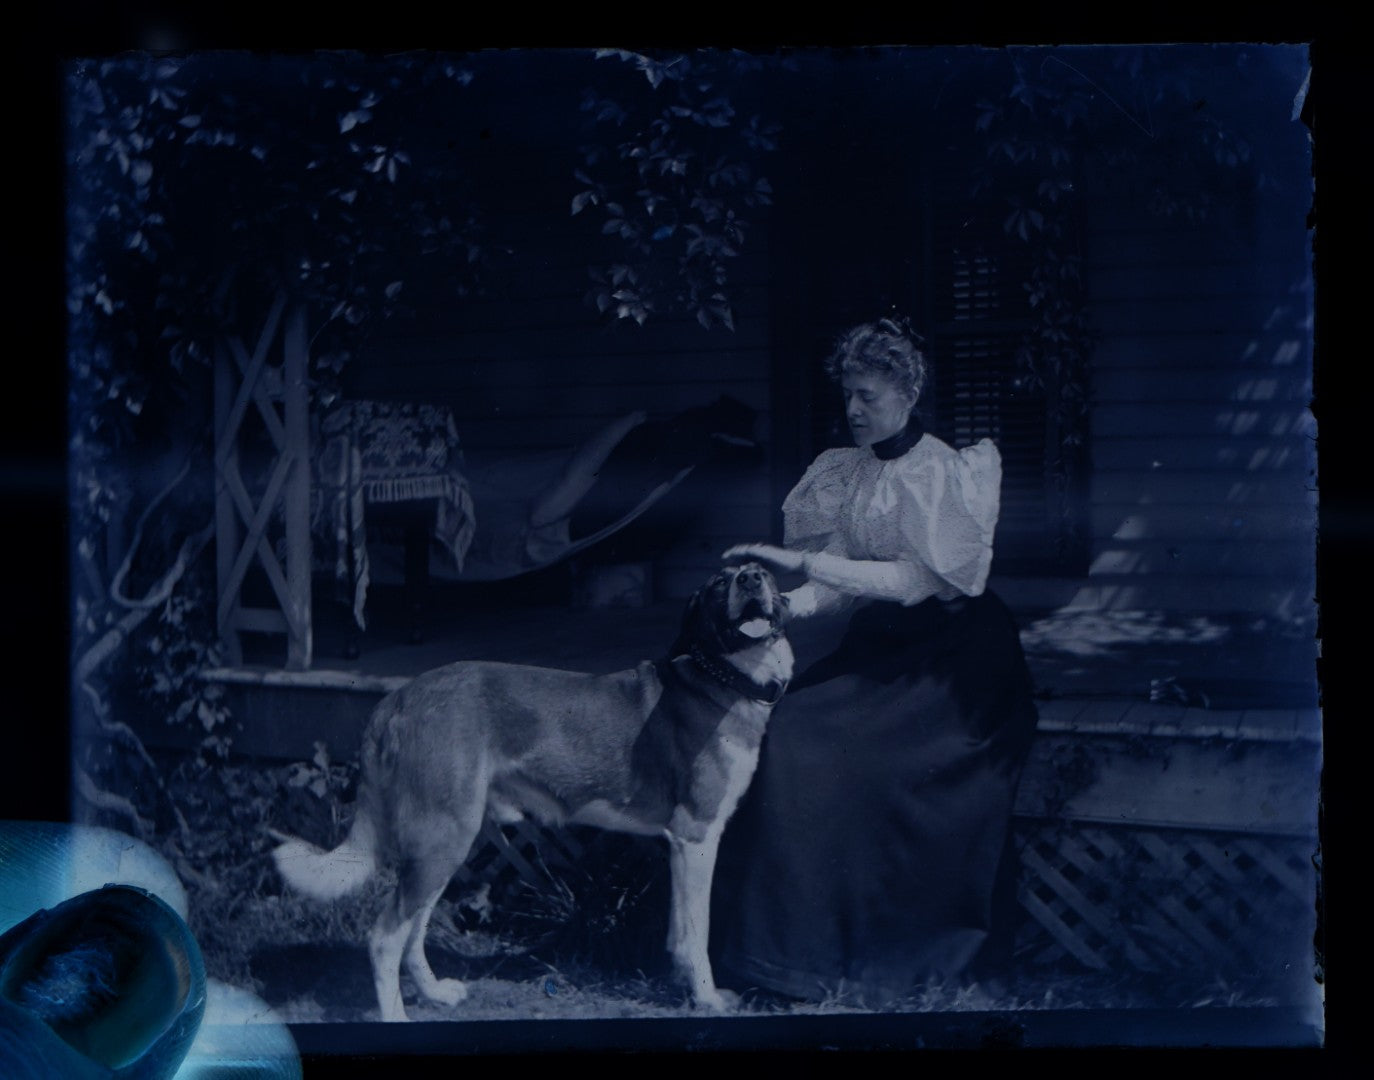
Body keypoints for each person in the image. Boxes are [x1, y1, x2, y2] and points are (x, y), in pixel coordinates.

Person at [709, 317, 1039, 1006]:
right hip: (883, 642)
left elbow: (914, 581)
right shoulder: (843, 472)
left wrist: (801, 561)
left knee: (854, 757)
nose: (855, 410)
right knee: (790, 726)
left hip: (955, 659)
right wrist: (780, 605)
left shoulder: (941, 470)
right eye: (848, 396)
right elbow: (841, 583)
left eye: (869, 396)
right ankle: (780, 959)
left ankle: (876, 956)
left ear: (907, 393)